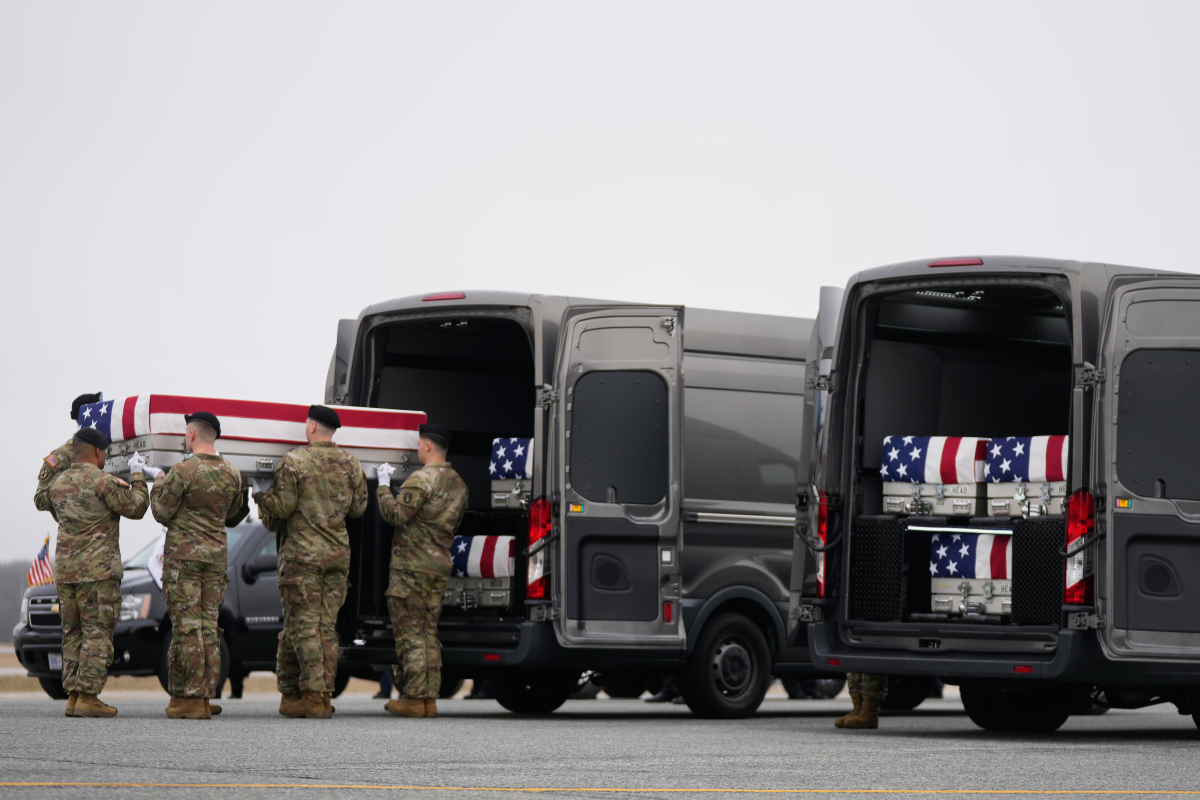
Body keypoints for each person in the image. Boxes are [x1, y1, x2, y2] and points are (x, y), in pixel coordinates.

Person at [253, 405, 367, 720]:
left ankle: (314, 696)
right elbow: (358, 508)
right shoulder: (351, 463)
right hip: (337, 558)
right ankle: (307, 695)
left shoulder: (295, 461)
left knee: (304, 628)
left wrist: (261, 495)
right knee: (323, 628)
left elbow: (282, 508)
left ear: (312, 427)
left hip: (303, 558)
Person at [140, 411, 249, 720]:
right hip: (215, 560)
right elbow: (235, 516)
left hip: (184, 561)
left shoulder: (182, 471)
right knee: (208, 628)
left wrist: (157, 481)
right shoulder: (233, 473)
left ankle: (192, 698)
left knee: (187, 627)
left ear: (191, 435)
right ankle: (196, 696)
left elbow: (161, 512)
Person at [47, 427, 149, 717]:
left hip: (66, 572)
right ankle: (88, 696)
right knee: (97, 634)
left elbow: (56, 512)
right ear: (97, 451)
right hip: (97, 573)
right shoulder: (103, 482)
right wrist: (138, 476)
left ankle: (73, 695)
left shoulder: (57, 484)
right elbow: (136, 508)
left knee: (72, 633)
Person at [374, 423, 468, 719]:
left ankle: (414, 698)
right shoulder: (459, 484)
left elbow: (395, 515)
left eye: (418, 444)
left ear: (427, 446)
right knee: (429, 633)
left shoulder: (422, 478)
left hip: (411, 568)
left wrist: (383, 486)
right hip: (437, 567)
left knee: (410, 633)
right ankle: (429, 699)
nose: (417, 449)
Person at [34, 392, 102, 519]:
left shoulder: (106, 448)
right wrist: (76, 490)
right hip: (75, 527)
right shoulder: (62, 455)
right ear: (80, 418)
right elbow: (40, 499)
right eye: (96, 412)